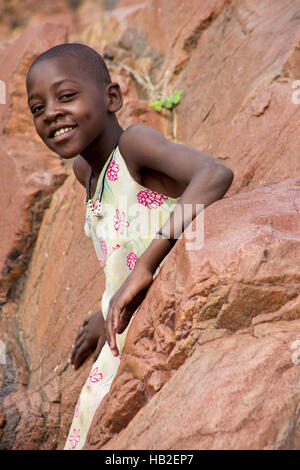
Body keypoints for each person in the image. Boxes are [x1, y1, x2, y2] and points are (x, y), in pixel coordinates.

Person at [26, 43, 234, 450]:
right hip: (124, 323)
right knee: (88, 423)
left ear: (112, 98)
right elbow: (123, 247)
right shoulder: (83, 170)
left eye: (66, 96)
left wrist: (146, 268)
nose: (51, 112)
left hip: (161, 312)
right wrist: (103, 310)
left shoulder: (134, 145)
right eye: (38, 108)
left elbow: (214, 173)